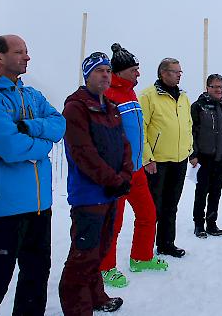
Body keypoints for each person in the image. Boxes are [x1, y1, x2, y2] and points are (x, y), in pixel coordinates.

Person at [0, 35, 65, 316]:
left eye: (27, 51)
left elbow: (59, 125)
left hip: (39, 205)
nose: (27, 57)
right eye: (19, 52)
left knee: (36, 275)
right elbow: (9, 147)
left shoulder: (33, 95)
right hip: (5, 207)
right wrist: (42, 145)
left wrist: (28, 127)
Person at [59, 52, 133, 314]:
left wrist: (125, 175)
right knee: (83, 254)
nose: (105, 75)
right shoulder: (76, 107)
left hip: (111, 192)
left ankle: (96, 296)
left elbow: (124, 145)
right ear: (87, 75)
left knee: (100, 249)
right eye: (99, 70)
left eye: (108, 70)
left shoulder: (111, 108)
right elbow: (83, 152)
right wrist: (113, 180)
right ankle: (77, 308)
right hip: (89, 195)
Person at [99, 44, 167, 289]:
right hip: (118, 173)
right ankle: (105, 268)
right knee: (113, 223)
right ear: (122, 71)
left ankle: (141, 257)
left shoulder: (130, 93)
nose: (139, 74)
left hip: (136, 170)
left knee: (148, 214)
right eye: (135, 70)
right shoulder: (108, 96)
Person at [140, 57, 193, 258]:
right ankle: (144, 248)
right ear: (163, 73)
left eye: (180, 71)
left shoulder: (184, 97)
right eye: (175, 71)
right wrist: (148, 158)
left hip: (179, 160)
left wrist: (189, 149)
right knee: (153, 207)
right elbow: (141, 129)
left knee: (171, 205)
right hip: (157, 162)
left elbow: (188, 125)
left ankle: (166, 244)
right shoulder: (148, 96)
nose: (179, 74)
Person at [189, 74, 222, 238]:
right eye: (215, 86)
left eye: (221, 87)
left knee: (216, 191)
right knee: (202, 191)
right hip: (204, 156)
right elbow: (192, 132)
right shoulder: (198, 107)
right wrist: (193, 154)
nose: (218, 90)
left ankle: (211, 223)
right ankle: (198, 224)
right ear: (207, 88)